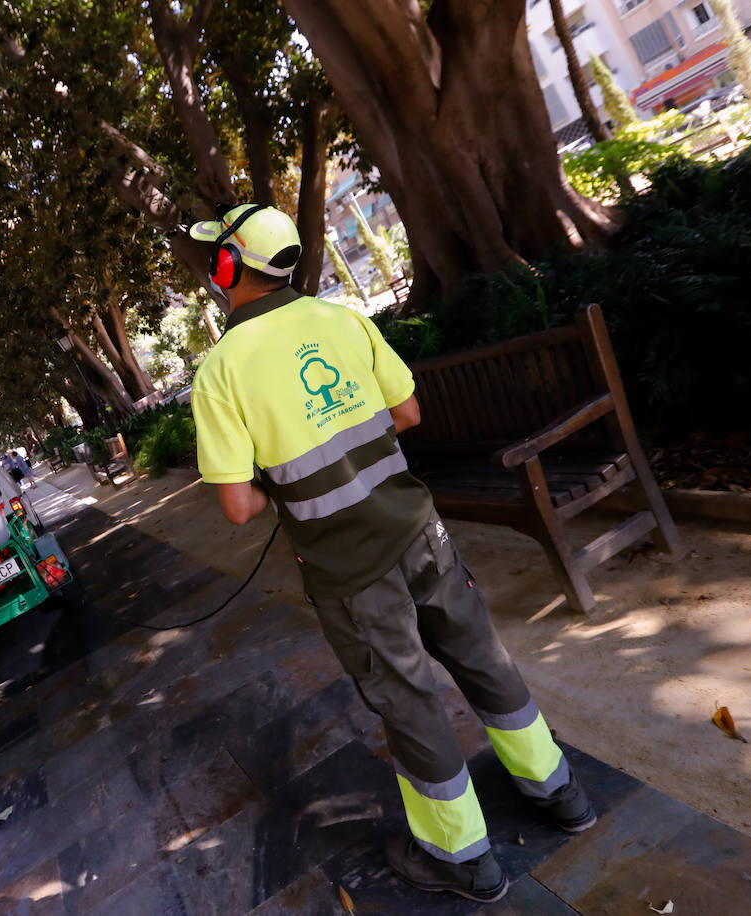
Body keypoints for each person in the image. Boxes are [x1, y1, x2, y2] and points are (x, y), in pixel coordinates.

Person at [187, 204, 595, 904]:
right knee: (480, 655)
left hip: (351, 575)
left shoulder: (222, 369)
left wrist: (274, 470)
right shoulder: (341, 320)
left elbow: (238, 506)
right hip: (420, 530)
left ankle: (464, 858)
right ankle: (560, 794)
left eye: (214, 258)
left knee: (408, 702)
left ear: (231, 265)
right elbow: (407, 413)